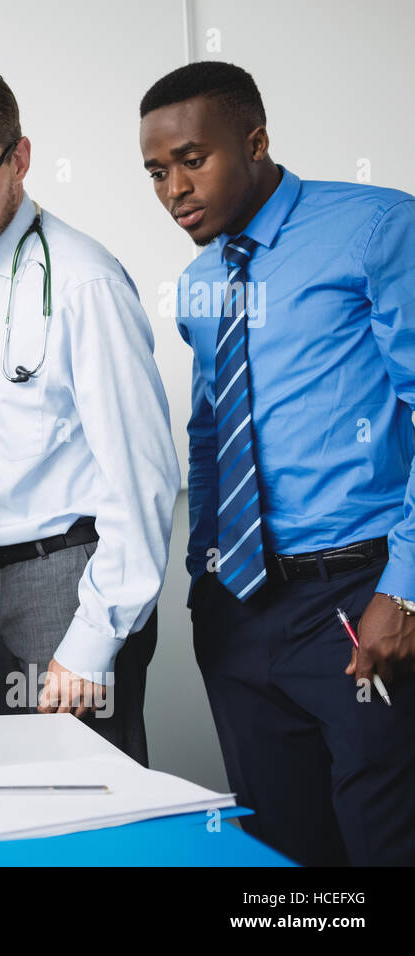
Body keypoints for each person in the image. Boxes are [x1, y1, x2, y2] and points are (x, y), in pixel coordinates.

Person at [140, 61, 415, 865]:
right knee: (282, 859)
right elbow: (207, 437)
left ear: (255, 141)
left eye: (194, 158)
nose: (174, 188)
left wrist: (403, 587)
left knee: (381, 842)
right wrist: (203, 587)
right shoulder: (197, 283)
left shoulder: (376, 228)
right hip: (240, 609)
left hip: (359, 597)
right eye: (157, 171)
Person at [0, 63, 180, 765]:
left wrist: (91, 641)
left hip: (70, 580)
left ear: (19, 159)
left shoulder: (85, 284)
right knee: (17, 803)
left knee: (85, 809)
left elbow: (143, 477)